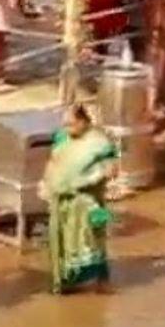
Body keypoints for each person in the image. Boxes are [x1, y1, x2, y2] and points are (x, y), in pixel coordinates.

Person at [35, 104, 120, 295]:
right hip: (61, 201)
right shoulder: (61, 138)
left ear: (84, 122)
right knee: (61, 242)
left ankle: (100, 284)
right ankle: (63, 283)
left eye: (72, 125)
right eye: (65, 125)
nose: (68, 129)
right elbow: (54, 163)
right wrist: (46, 183)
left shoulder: (100, 143)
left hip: (88, 201)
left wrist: (88, 179)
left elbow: (112, 170)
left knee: (92, 242)